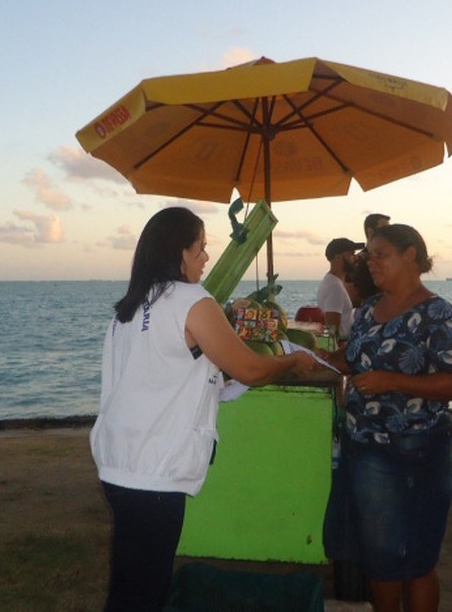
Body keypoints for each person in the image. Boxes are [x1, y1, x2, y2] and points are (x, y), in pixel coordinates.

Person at [90, 206, 320, 612]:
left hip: (119, 462)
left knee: (129, 582)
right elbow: (249, 367)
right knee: (146, 590)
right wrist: (289, 362)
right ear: (179, 252)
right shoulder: (193, 299)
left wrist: (213, 380)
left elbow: (160, 372)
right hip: (155, 472)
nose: (206, 258)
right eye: (200, 248)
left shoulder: (130, 307)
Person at [322, 223, 452, 612]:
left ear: (411, 256)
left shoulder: (438, 314)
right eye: (368, 255)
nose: (370, 262)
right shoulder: (370, 308)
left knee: (416, 561)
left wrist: (393, 381)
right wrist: (305, 360)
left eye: (380, 254)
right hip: (365, 449)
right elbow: (352, 360)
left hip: (418, 452)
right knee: (378, 559)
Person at [318, 237, 365, 341]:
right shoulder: (335, 287)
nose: (355, 258)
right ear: (338, 257)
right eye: (351, 254)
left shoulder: (333, 282)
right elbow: (332, 331)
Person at [347, 212, 391, 306]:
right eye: (384, 229)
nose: (389, 233)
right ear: (370, 232)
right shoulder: (357, 262)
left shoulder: (390, 259)